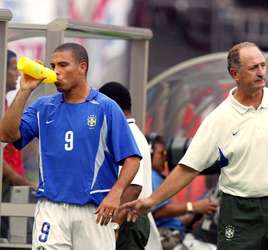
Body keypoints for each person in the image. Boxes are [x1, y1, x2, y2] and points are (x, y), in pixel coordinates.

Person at [122, 41, 268, 250]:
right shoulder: (218, 119)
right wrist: (151, 201)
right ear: (235, 74)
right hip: (240, 211)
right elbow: (188, 167)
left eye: (263, 65)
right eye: (253, 68)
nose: (261, 72)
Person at [0, 43, 141, 250]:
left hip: (93, 211)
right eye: (53, 65)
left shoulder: (106, 107)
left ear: (82, 67)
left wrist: (116, 193)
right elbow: (6, 134)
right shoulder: (43, 106)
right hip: (51, 209)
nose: (56, 71)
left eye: (63, 65)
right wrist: (24, 90)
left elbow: (132, 159)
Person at [99, 81, 162, 250]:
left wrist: (114, 225)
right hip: (127, 218)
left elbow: (133, 188)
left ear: (112, 106)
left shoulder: (129, 134)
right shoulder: (129, 132)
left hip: (127, 220)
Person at [146, 133, 217, 250]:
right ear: (150, 154)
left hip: (174, 233)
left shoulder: (155, 176)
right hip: (165, 236)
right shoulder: (151, 176)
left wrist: (188, 219)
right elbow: (157, 212)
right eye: (161, 153)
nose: (165, 158)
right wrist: (193, 207)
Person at [1, 50, 35, 239]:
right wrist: (19, 179)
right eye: (13, 68)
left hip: (15, 185)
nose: (18, 74)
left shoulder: (7, 104)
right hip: (7, 185)